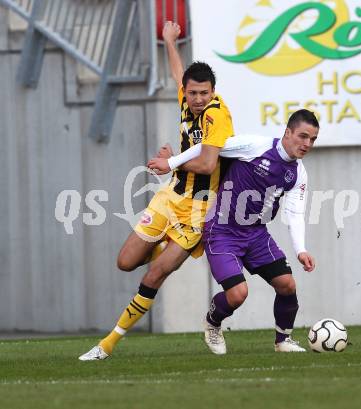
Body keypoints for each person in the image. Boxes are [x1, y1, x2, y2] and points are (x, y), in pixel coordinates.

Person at [79, 21, 234, 361]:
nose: (196, 99)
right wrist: (168, 41)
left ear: (213, 92)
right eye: (192, 93)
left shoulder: (217, 117)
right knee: (125, 262)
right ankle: (163, 241)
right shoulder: (186, 98)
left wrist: (171, 162)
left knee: (156, 273)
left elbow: (208, 165)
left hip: (199, 210)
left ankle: (107, 344)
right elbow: (180, 73)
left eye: (203, 93)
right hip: (170, 197)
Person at [149, 109, 318, 353]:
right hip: (222, 231)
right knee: (238, 294)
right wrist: (171, 162)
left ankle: (283, 341)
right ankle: (212, 323)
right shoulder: (255, 145)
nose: (307, 144)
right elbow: (209, 147)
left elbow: (295, 213)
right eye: (303, 136)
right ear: (288, 132)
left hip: (257, 234)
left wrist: (301, 250)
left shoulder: (298, 173)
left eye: (312, 139)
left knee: (287, 285)